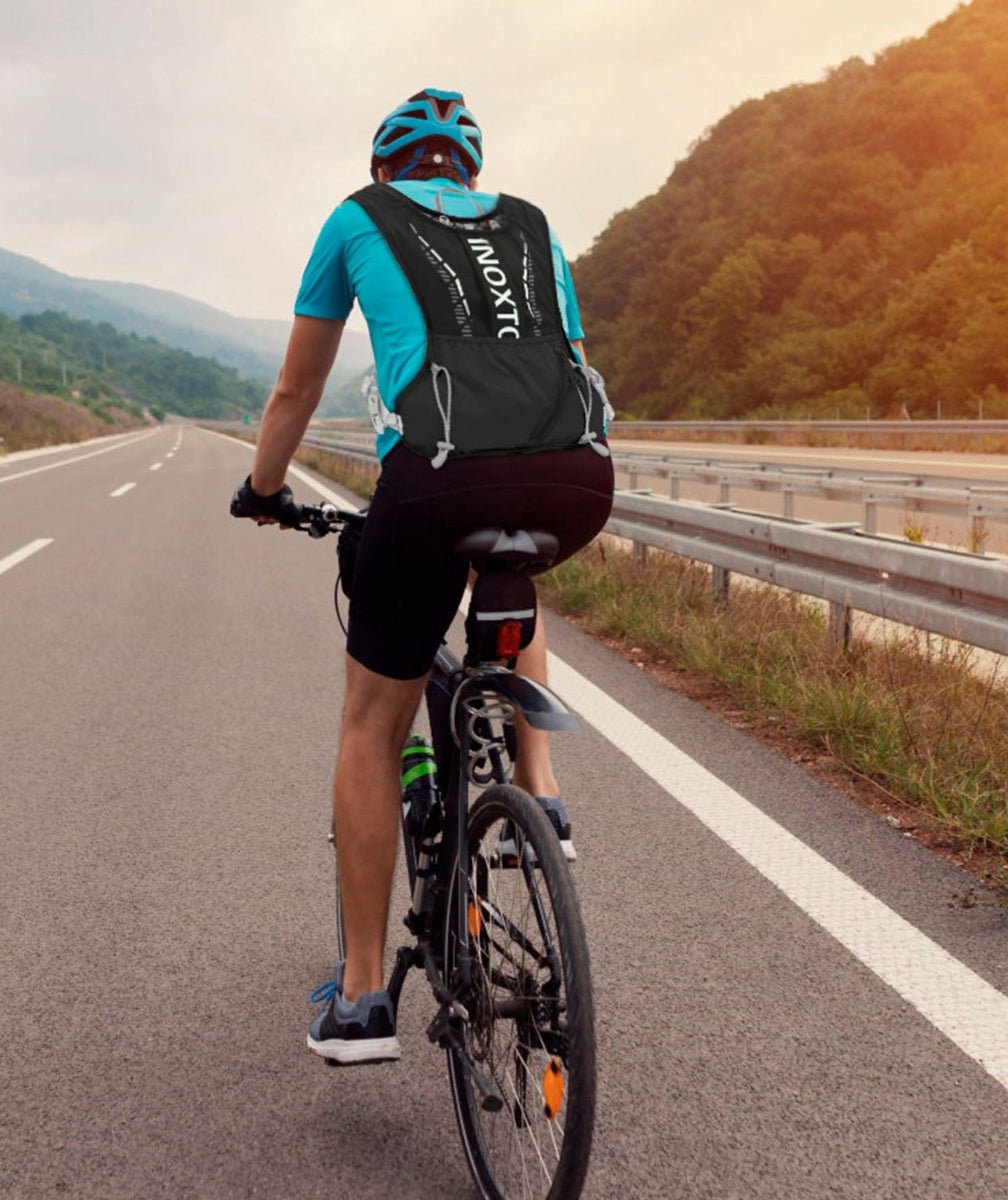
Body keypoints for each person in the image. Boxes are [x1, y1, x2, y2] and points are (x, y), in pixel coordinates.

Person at [230, 88, 614, 1065]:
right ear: (470, 171)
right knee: (513, 557)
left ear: (384, 167)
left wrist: (264, 489)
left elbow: (297, 386)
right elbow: (566, 367)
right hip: (577, 477)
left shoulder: (357, 217)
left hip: (437, 476)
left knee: (371, 722)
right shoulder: (532, 225)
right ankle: (540, 788)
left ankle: (363, 997)